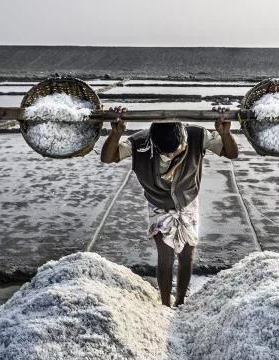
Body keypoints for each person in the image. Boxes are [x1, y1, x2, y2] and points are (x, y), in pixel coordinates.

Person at [100, 107, 239, 307]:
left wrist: (225, 133)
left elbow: (231, 153)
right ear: (153, 141)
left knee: (187, 255)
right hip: (159, 204)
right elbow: (108, 157)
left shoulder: (197, 135)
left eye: (174, 149)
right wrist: (116, 133)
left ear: (182, 135)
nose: (170, 153)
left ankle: (180, 301)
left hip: (187, 201)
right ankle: (166, 303)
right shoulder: (141, 142)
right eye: (165, 151)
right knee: (165, 256)